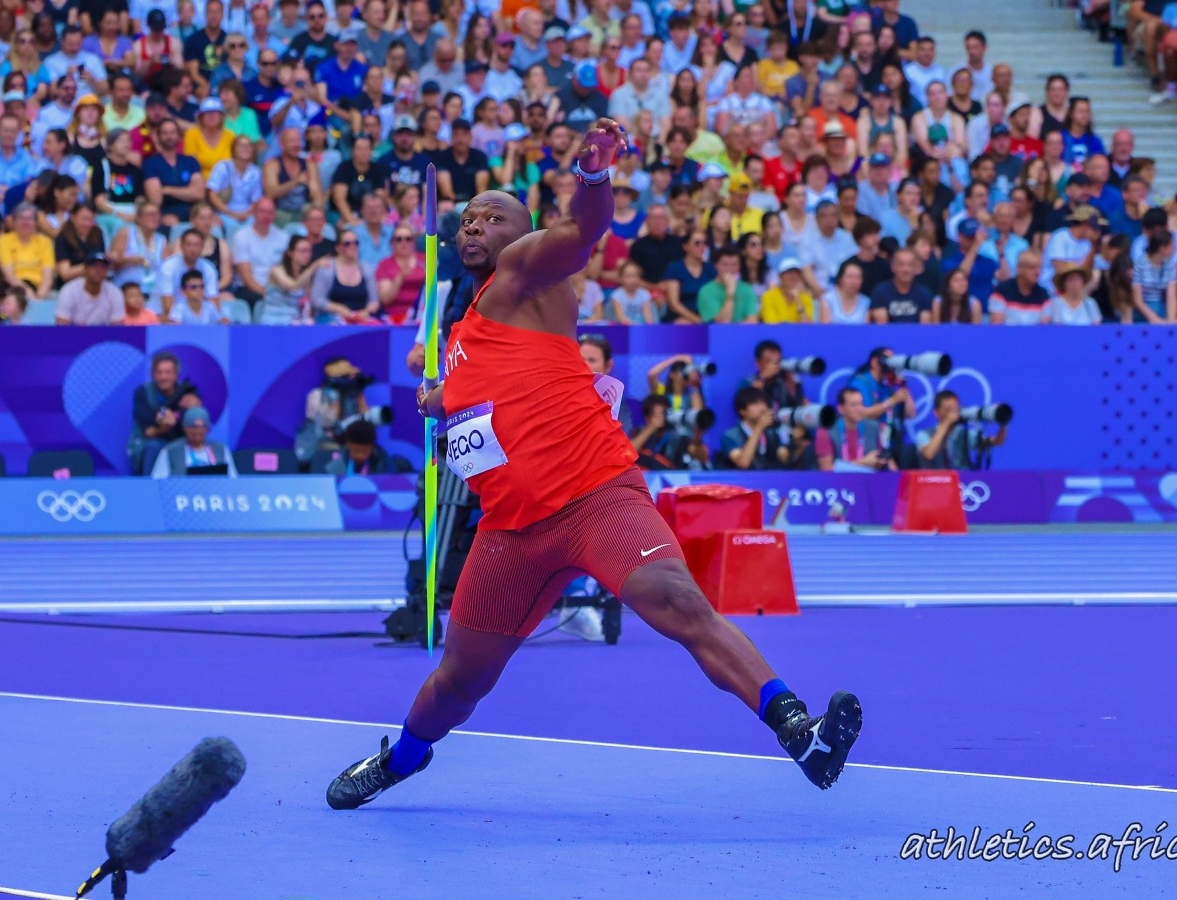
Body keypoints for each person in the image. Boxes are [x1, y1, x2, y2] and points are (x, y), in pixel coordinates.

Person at [325, 118, 861, 811]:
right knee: (460, 682)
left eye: (493, 216)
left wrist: (595, 177)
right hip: (511, 533)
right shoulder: (464, 332)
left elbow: (581, 233)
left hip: (595, 497)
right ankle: (398, 759)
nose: (475, 225)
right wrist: (434, 395)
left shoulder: (526, 274)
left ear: (521, 233)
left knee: (675, 599)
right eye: (467, 219)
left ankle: (799, 730)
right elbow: (462, 403)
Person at [129, 350, 202, 475]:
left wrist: (197, 408)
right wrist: (163, 427)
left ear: (176, 374)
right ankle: (150, 489)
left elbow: (200, 425)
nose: (163, 377)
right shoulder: (143, 393)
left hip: (183, 441)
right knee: (154, 447)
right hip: (154, 442)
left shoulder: (187, 392)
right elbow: (148, 432)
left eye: (168, 372)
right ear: (153, 375)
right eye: (159, 373)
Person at [915, 389, 1006, 470]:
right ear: (936, 412)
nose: (953, 413)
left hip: (964, 483)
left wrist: (1003, 423)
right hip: (937, 483)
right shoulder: (924, 434)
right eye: (948, 410)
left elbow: (997, 441)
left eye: (955, 409)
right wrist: (946, 424)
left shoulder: (963, 433)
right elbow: (929, 454)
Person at [815, 386, 891, 472]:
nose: (859, 409)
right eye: (853, 405)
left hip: (869, 482)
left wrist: (882, 462)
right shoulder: (826, 432)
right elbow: (827, 471)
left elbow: (886, 463)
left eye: (861, 404)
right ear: (841, 409)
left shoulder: (875, 428)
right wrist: (862, 463)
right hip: (838, 484)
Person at [151, 406, 238, 478]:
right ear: (185, 428)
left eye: (202, 427)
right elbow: (157, 481)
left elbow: (233, 479)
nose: (197, 431)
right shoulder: (170, 451)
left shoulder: (221, 450)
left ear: (207, 429)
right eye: (193, 427)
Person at [719, 386, 781, 470]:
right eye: (755, 404)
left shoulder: (771, 433)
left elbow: (784, 461)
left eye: (763, 403)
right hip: (742, 481)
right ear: (742, 410)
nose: (762, 408)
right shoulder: (730, 436)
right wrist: (758, 428)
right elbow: (743, 463)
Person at [54, 251, 125, 324]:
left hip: (105, 335)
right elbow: (61, 328)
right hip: (74, 334)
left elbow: (117, 329)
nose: (98, 271)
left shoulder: (114, 292)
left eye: (103, 267)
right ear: (85, 269)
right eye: (94, 266)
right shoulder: (69, 291)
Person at [325, 418, 411, 475]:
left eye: (365, 452)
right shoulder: (334, 468)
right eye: (356, 451)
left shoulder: (385, 465)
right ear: (349, 445)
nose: (360, 455)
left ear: (372, 447)